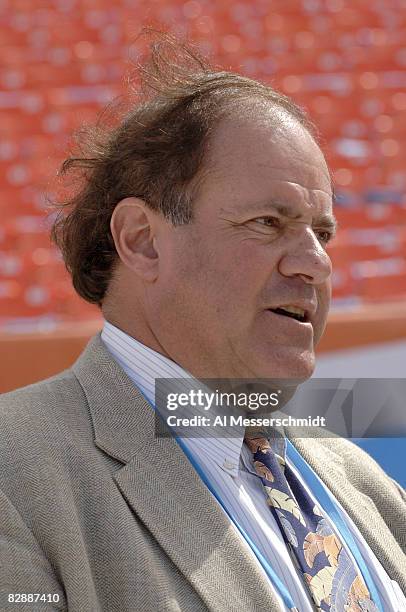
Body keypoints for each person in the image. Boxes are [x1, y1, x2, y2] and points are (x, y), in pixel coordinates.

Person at [1, 33, 405, 612]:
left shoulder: (356, 478)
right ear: (142, 242)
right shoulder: (15, 475)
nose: (316, 263)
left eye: (323, 233)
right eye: (268, 222)